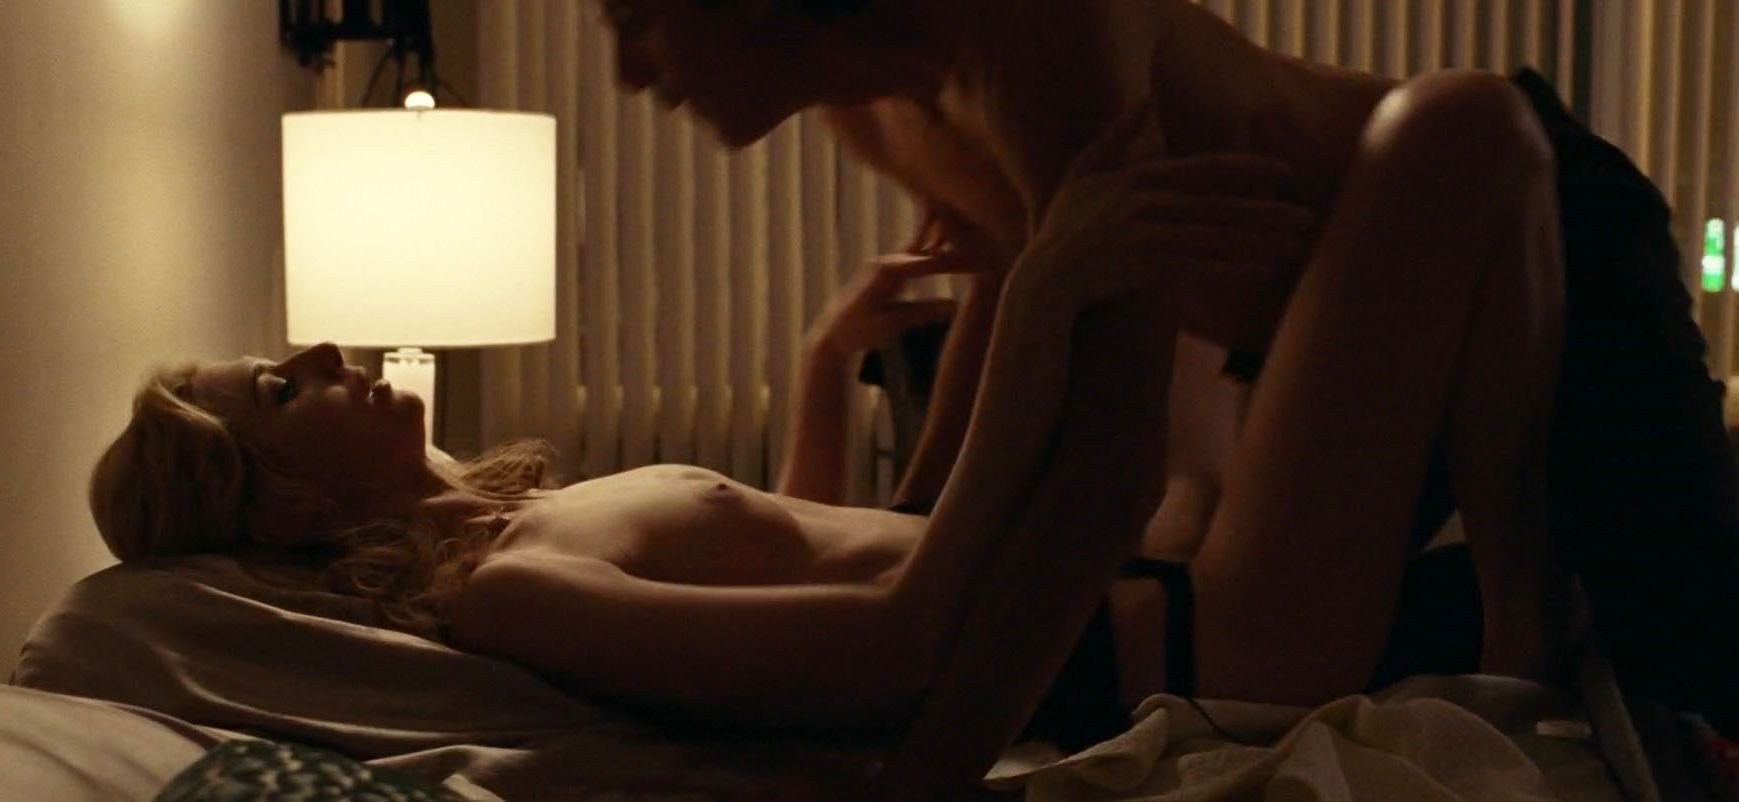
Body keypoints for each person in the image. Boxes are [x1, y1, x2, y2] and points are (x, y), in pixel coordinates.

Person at [599, 0, 1739, 798]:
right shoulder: (877, 110)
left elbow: (1107, 467)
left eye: (634, 17)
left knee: (1685, 627)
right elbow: (1019, 277)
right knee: (1402, 630)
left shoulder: (1028, 32)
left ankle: (1547, 645)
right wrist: (922, 524)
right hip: (1315, 317)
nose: (628, 75)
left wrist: (926, 774)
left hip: (1514, 209)